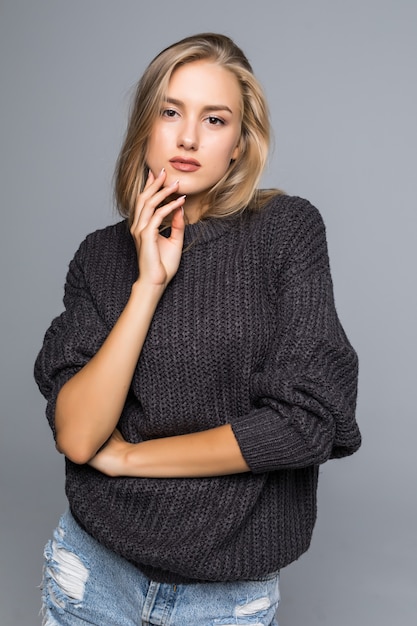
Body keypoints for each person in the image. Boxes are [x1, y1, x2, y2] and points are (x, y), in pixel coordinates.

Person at [34, 32, 361, 626]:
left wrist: (132, 459)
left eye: (215, 119)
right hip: (93, 574)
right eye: (170, 111)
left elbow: (304, 425)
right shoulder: (100, 257)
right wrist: (148, 284)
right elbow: (79, 437)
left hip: (224, 597)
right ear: (146, 127)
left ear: (239, 144)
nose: (188, 137)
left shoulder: (285, 231)